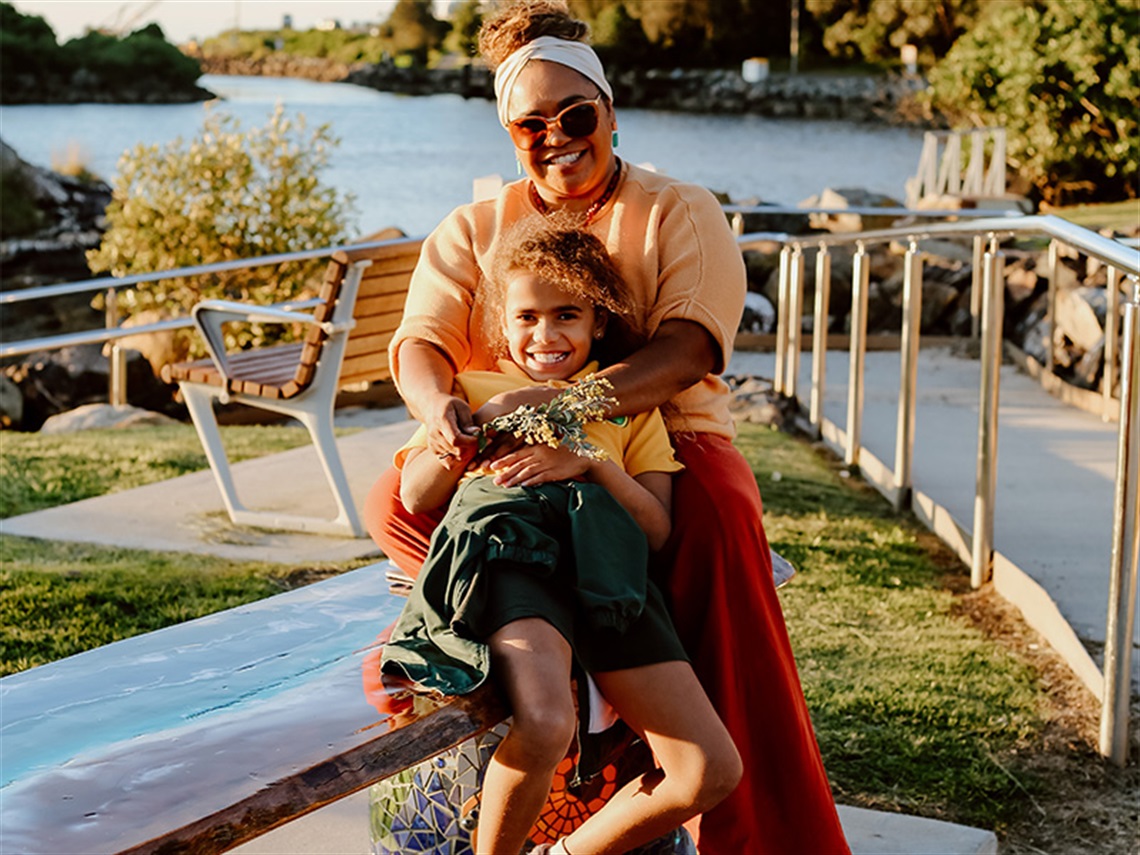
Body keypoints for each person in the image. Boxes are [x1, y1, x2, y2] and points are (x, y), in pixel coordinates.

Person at [364, 2, 851, 852]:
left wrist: (566, 420)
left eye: (576, 115)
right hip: (503, 439)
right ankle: (503, 639)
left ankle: (744, 818)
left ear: (610, 113)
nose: (557, 136)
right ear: (511, 133)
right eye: (531, 124)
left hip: (654, 434)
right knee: (394, 501)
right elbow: (420, 344)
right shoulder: (476, 225)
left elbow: (686, 349)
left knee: (715, 520)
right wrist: (438, 408)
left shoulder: (677, 208)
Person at [380, 223, 742, 855]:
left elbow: (656, 530)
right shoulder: (473, 391)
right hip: (520, 567)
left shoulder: (626, 407)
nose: (545, 336)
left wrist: (590, 462)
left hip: (610, 576)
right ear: (501, 321)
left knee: (709, 770)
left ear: (597, 323)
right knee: (546, 723)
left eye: (566, 316)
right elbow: (415, 495)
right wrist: (476, 427)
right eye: (526, 317)